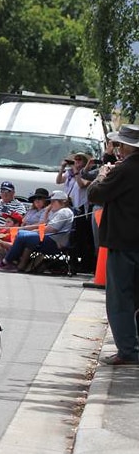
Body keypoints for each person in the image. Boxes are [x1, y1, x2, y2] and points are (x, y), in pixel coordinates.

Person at [87, 123, 139, 365]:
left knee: (120, 298)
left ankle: (128, 350)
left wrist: (101, 176)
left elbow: (96, 194)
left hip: (124, 241)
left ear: (127, 146)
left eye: (120, 145)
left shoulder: (126, 169)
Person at [0, 190, 74, 272]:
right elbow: (44, 224)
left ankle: (5, 262)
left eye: (53, 201)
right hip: (48, 237)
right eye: (50, 201)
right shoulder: (54, 211)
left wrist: (34, 231)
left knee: (22, 235)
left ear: (62, 202)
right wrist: (46, 212)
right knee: (24, 236)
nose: (51, 204)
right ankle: (17, 265)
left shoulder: (64, 212)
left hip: (56, 241)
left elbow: (51, 229)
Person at [57, 151, 95, 273]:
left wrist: (77, 172)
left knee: (81, 237)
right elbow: (58, 181)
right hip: (69, 206)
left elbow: (82, 184)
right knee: (71, 237)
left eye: (79, 160)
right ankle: (72, 263)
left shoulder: (88, 174)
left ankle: (85, 263)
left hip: (81, 209)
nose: (77, 162)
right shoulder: (69, 173)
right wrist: (62, 167)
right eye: (75, 160)